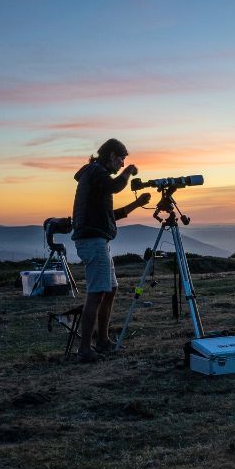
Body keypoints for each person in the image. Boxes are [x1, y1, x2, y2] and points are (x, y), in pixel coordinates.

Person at [71, 138, 151, 364]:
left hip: (99, 240)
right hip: (92, 241)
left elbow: (109, 216)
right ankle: (84, 349)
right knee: (96, 293)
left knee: (111, 289)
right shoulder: (96, 173)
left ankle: (103, 340)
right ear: (112, 155)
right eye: (122, 159)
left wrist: (136, 205)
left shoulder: (96, 179)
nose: (122, 164)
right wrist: (128, 173)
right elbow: (116, 186)